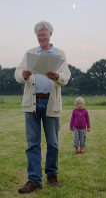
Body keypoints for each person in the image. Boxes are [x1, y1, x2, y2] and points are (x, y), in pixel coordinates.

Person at [15, 20, 71, 193]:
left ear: (50, 35)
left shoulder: (59, 54)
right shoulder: (30, 53)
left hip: (50, 103)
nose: (41, 38)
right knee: (32, 144)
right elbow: (17, 74)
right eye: (38, 35)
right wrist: (23, 75)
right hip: (31, 103)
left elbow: (66, 76)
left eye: (44, 34)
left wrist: (57, 77)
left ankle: (52, 176)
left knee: (53, 143)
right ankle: (34, 180)